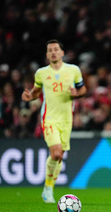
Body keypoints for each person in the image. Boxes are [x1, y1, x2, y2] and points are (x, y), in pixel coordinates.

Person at [22, 39, 86, 203]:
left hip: (66, 119)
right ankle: (48, 189)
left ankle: (48, 188)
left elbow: (82, 89)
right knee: (56, 153)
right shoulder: (41, 73)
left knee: (59, 156)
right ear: (47, 54)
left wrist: (76, 94)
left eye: (56, 49)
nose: (53, 52)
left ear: (62, 53)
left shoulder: (73, 70)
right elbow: (36, 92)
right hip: (49, 118)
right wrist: (30, 96)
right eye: (50, 50)